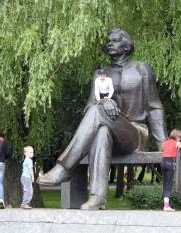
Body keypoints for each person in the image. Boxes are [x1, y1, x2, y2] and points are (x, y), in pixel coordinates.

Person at [37, 28, 168, 210]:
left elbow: (154, 107)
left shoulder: (141, 69)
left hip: (135, 134)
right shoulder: (101, 74)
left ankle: (65, 168)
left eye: (115, 40)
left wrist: (164, 144)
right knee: (102, 130)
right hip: (110, 133)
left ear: (126, 45)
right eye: (108, 41)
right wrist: (102, 103)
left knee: (99, 112)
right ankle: (97, 197)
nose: (110, 43)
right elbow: (90, 106)